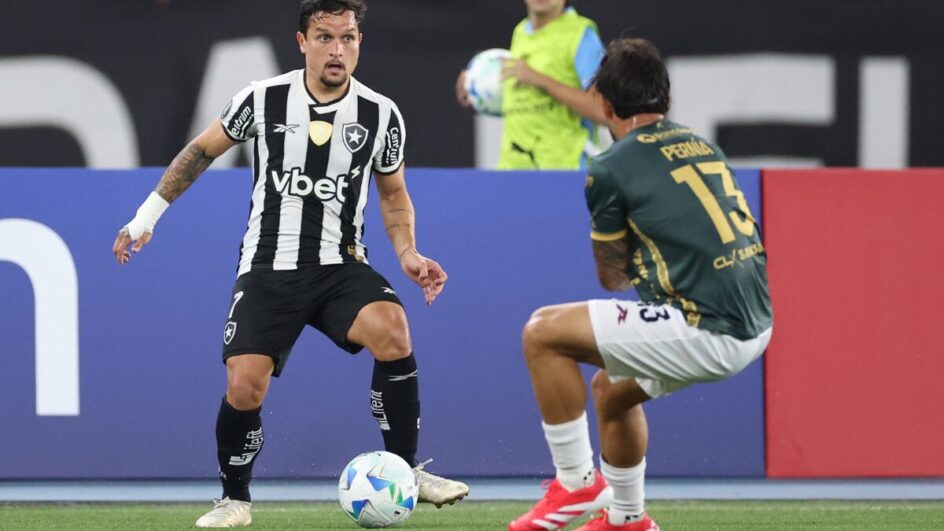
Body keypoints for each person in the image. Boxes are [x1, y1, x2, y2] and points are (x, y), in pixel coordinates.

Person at [112, 0, 468, 527]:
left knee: (393, 330)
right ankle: (235, 500)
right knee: (244, 386)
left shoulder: (380, 114)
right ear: (302, 42)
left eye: (348, 38)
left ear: (360, 43)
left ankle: (407, 469)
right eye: (324, 37)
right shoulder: (263, 99)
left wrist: (408, 253)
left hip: (340, 266)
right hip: (268, 266)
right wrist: (146, 217)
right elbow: (201, 150)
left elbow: (394, 196)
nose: (337, 50)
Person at [508, 38, 773, 531]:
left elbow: (611, 277)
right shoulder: (702, 144)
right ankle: (627, 517)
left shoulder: (610, 166)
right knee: (613, 389)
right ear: (667, 100)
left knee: (541, 333)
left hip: (707, 326)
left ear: (604, 106)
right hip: (758, 321)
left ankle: (576, 482)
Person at [456, 0, 606, 169]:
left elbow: (602, 110)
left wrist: (539, 79)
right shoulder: (520, 32)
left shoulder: (581, 34)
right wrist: (476, 91)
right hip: (513, 171)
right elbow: (529, 106)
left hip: (565, 171)